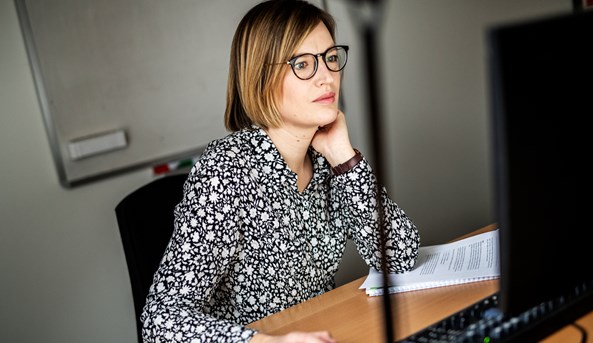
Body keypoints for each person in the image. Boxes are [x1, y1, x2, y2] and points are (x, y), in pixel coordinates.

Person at [141, 0, 420, 342]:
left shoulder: (330, 163)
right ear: (261, 76)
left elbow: (401, 257)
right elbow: (161, 319)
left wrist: (345, 158)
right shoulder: (227, 170)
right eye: (303, 64)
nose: (327, 76)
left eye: (331, 58)